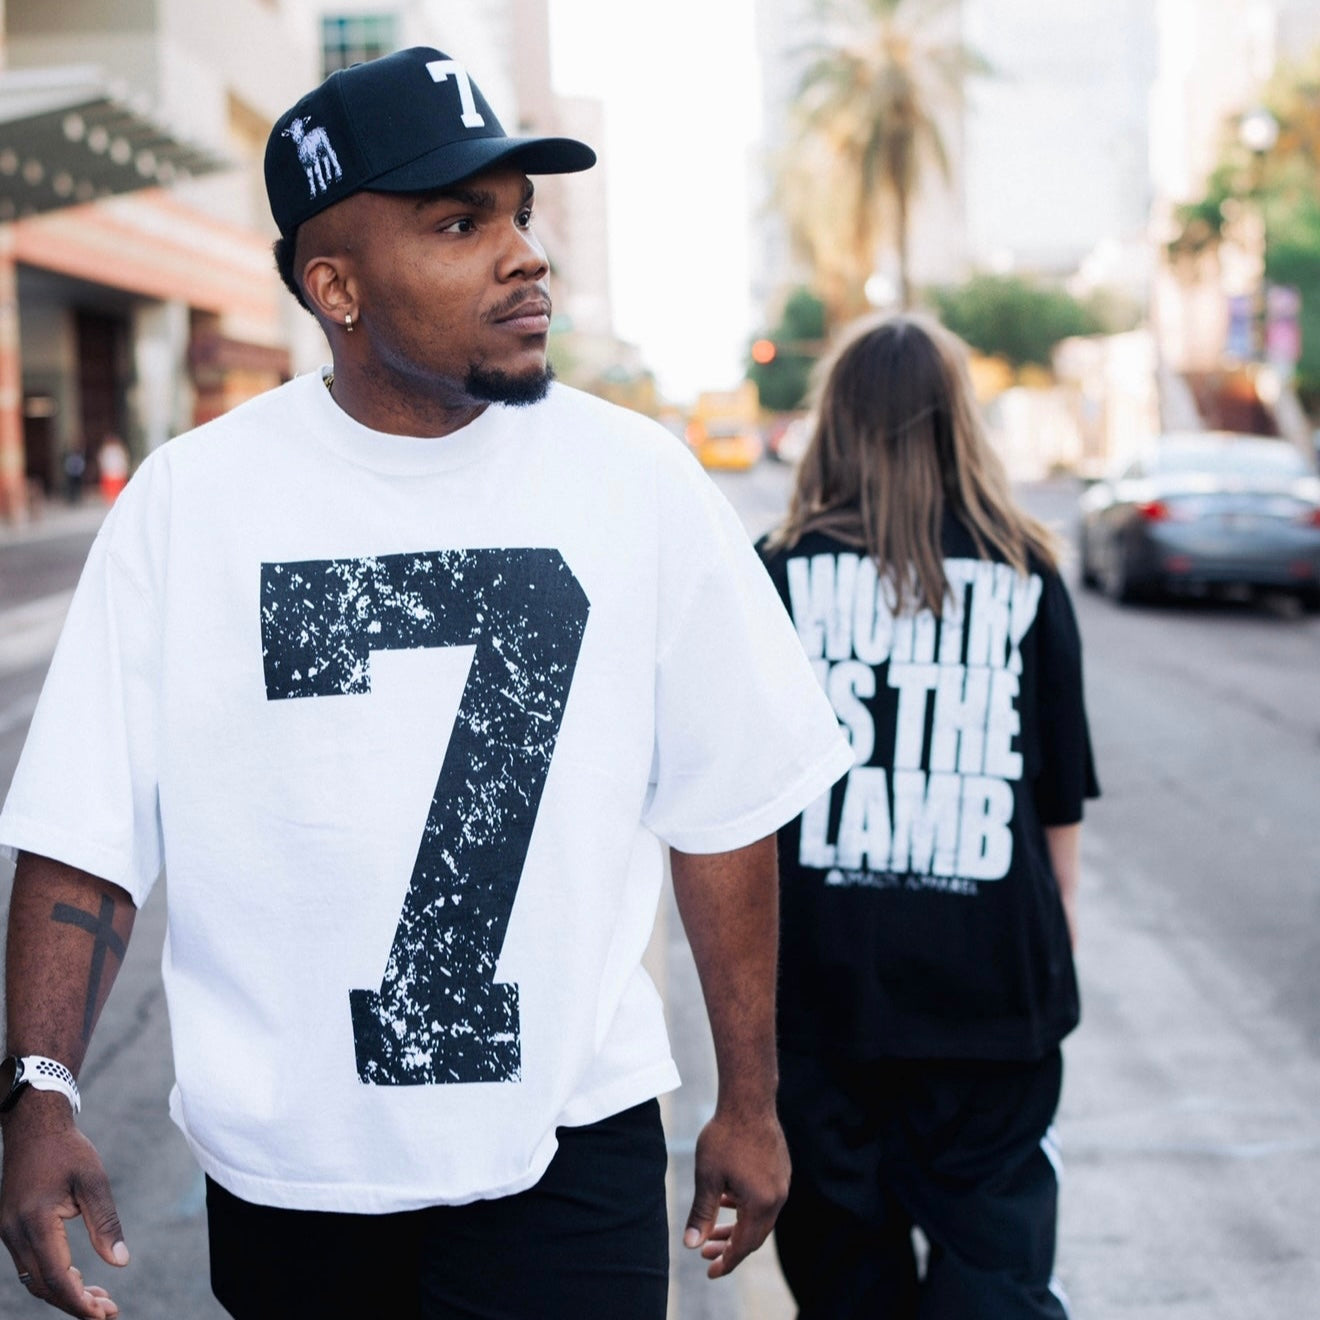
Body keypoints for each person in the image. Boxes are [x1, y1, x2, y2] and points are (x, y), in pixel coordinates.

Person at [0, 47, 853, 1320]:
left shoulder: (639, 482)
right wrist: (40, 1092)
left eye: (521, 215)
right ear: (335, 286)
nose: (525, 257)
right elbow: (86, 836)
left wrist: (750, 1097)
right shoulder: (193, 504)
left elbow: (726, 811)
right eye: (462, 224)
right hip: (293, 1168)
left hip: (570, 1146)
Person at [755, 313, 1100, 1319]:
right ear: (961, 422)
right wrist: (1056, 935)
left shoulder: (773, 573)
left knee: (845, 1283)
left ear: (834, 422)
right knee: (994, 1279)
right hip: (992, 995)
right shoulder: (1027, 571)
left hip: (823, 997)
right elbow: (1057, 799)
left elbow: (740, 805)